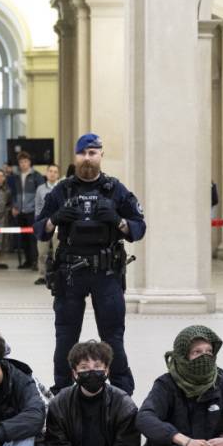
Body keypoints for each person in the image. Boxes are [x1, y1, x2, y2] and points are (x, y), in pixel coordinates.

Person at [35, 133, 146, 394]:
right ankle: (62, 394)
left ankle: (122, 395)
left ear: (101, 156)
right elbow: (40, 230)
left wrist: (117, 220)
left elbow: (139, 228)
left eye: (93, 153)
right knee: (65, 339)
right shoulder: (61, 190)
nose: (88, 158)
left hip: (106, 274)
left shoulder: (115, 189)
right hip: (69, 275)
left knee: (113, 339)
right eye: (83, 153)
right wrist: (57, 218)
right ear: (75, 156)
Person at [38, 340, 148, 446]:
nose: (91, 372)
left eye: (97, 366)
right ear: (75, 373)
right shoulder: (59, 402)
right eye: (84, 367)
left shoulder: (123, 403)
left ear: (107, 370)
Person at [12, 152, 46, 271]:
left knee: (33, 238)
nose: (23, 164)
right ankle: (27, 260)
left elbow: (42, 193)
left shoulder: (37, 176)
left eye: (25, 161)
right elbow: (16, 194)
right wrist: (15, 207)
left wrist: (38, 209)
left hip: (32, 211)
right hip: (21, 211)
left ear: (29, 162)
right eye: (21, 162)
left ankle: (35, 262)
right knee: (24, 237)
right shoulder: (16, 176)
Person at [35, 164, 61, 286]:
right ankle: (42, 275)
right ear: (46, 173)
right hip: (44, 224)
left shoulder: (62, 188)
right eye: (50, 171)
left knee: (59, 252)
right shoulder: (40, 189)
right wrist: (39, 223)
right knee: (42, 252)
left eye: (55, 172)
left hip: (59, 225)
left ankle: (58, 276)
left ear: (58, 174)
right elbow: (38, 207)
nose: (52, 174)